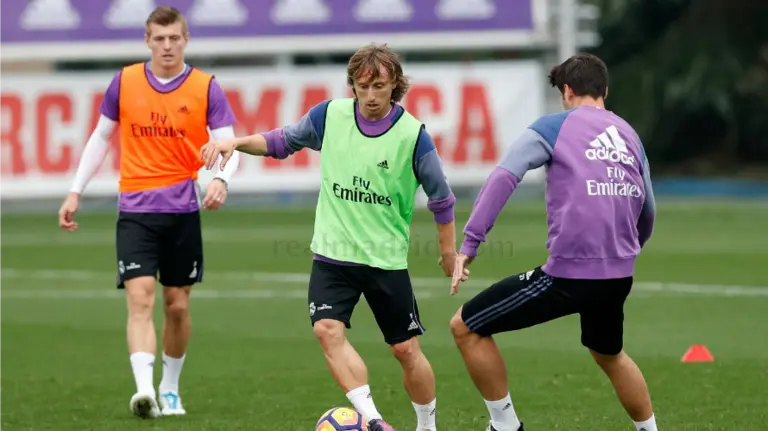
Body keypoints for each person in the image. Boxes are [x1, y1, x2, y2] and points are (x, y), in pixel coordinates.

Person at [200, 43, 459, 431]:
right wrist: (235, 143)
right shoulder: (330, 115)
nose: (370, 96)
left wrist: (448, 253)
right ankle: (374, 421)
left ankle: (427, 425)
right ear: (353, 85)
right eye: (362, 87)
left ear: (395, 85)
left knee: (405, 349)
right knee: (326, 329)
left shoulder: (413, 136)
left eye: (379, 87)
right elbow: (281, 141)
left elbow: (442, 199)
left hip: (385, 259)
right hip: (332, 254)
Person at [448, 53, 659, 431]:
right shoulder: (629, 134)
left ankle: (505, 426)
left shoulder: (552, 127)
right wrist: (626, 251)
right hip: (618, 275)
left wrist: (470, 243)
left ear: (567, 91)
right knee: (608, 353)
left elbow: (504, 177)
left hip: (569, 276)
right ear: (605, 90)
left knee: (465, 326)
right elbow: (648, 209)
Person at [57, 6, 240, 420]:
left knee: (177, 306)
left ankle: (169, 388)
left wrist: (220, 179)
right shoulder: (124, 81)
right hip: (135, 211)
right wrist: (75, 191)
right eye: (159, 38)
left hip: (182, 212)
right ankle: (144, 392)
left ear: (185, 40)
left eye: (174, 38)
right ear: (147, 41)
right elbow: (100, 138)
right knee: (139, 299)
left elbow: (229, 144)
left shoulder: (206, 87)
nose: (167, 46)